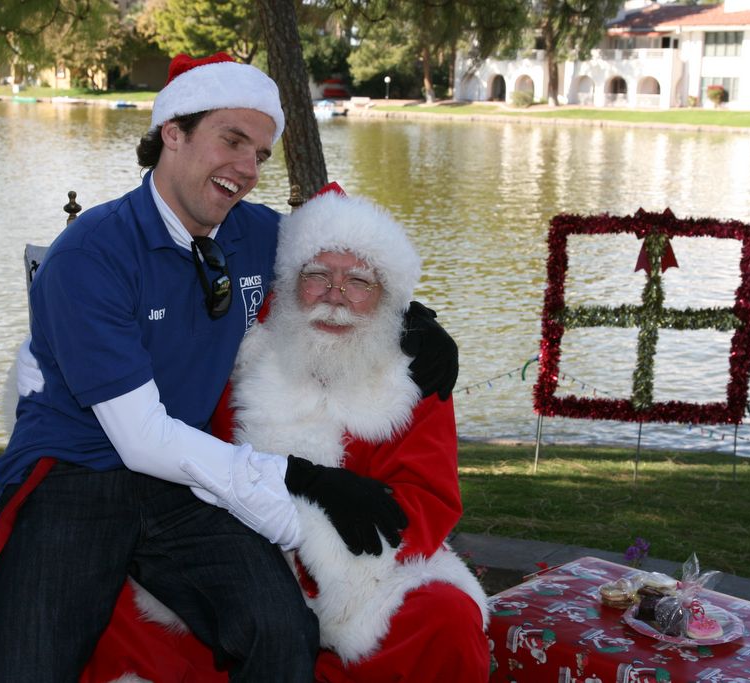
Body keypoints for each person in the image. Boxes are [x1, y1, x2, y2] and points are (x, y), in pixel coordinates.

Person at [0, 53, 457, 681]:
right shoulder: (91, 256)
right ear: (173, 132)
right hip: (78, 474)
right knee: (27, 667)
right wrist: (302, 478)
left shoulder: (250, 232)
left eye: (259, 153)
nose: (247, 169)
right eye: (232, 141)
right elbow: (141, 438)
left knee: (280, 633)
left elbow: (336, 259)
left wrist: (415, 318)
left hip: (185, 483)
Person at [81, 184, 490, 683]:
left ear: (387, 297)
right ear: (287, 284)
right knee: (123, 605)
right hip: (232, 554)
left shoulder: (415, 374)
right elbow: (179, 448)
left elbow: (427, 499)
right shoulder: (235, 352)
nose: (336, 295)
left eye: (358, 281)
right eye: (317, 275)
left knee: (446, 619)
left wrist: (327, 565)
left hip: (363, 573)